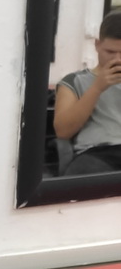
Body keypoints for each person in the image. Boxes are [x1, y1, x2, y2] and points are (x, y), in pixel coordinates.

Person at [53, 10, 121, 172]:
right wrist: (97, 87)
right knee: (82, 175)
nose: (117, 59)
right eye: (110, 52)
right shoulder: (74, 81)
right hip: (97, 152)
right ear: (97, 44)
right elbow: (63, 131)